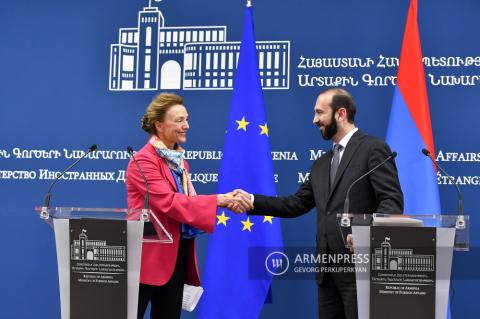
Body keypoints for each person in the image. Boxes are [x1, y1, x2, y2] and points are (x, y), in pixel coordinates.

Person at [234, 88, 403, 319]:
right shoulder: (322, 163)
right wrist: (251, 201)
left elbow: (391, 201)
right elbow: (295, 204)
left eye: (319, 113)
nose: (315, 120)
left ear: (340, 114)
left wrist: (368, 232)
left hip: (362, 271)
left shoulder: (373, 149)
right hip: (327, 273)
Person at [126, 93, 251, 319]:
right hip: (145, 262)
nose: (187, 126)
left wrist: (221, 202)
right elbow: (169, 202)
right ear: (159, 125)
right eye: (179, 120)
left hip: (175, 257)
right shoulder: (142, 161)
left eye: (187, 119)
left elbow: (187, 203)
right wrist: (219, 200)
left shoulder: (180, 162)